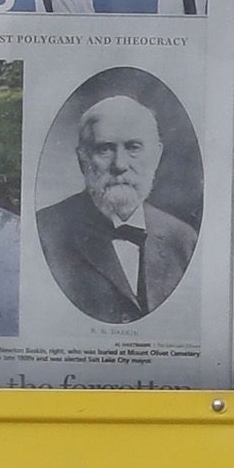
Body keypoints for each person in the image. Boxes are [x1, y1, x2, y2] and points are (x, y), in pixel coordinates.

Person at [35, 93, 197, 323]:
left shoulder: (183, 238)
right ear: (83, 159)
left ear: (157, 155)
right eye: (105, 149)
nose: (120, 165)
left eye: (134, 147)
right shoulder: (43, 233)